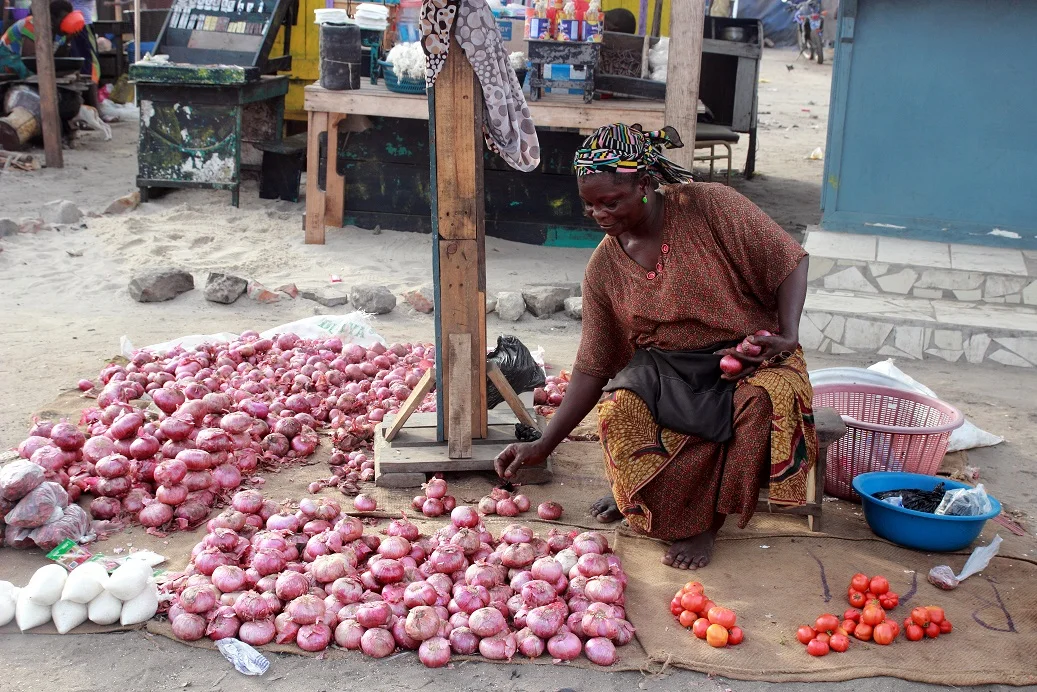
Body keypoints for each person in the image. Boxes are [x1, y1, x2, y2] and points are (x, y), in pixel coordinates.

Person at [494, 123, 817, 570]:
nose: (599, 215)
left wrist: (787, 331)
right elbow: (593, 365)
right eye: (589, 205)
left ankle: (706, 523)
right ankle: (646, 496)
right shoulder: (604, 266)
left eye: (611, 202)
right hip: (666, 370)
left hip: (751, 357)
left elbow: (787, 258)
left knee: (764, 401)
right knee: (619, 410)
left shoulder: (709, 206)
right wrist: (543, 444)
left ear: (644, 184)